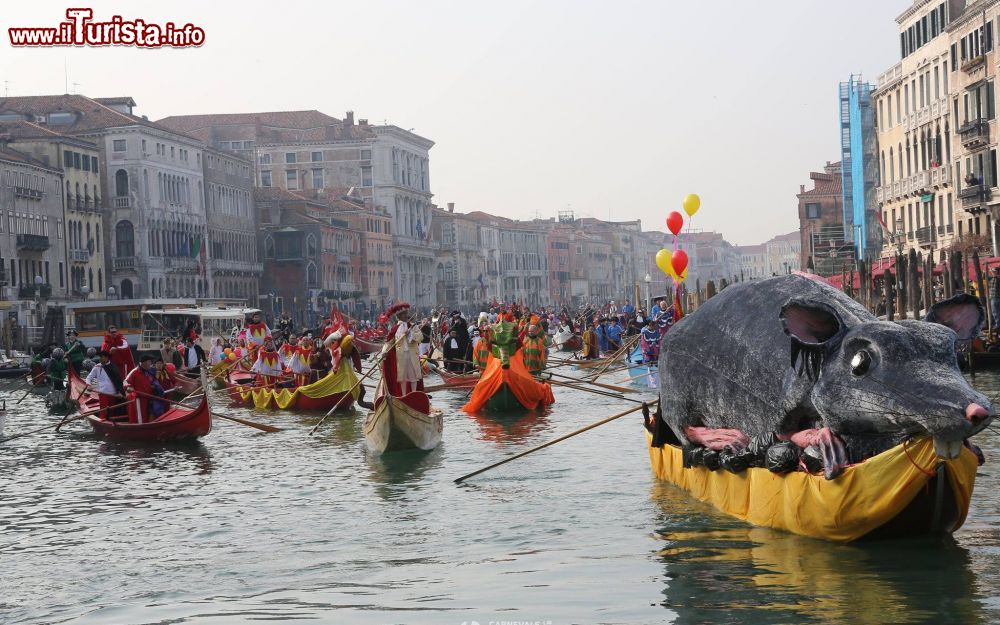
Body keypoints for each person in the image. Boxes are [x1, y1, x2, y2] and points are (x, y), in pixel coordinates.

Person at [380, 303, 424, 395]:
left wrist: (411, 334)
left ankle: (414, 394)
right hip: (401, 356)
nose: (405, 315)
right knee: (402, 377)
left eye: (405, 313)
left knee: (413, 375)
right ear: (399, 316)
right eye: (403, 314)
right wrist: (384, 351)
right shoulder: (394, 329)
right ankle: (404, 395)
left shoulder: (413, 326)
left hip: (412, 354)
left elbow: (420, 337)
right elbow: (389, 343)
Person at [85, 350, 126, 420]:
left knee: (112, 411)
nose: (100, 359)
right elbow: (89, 378)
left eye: (102, 357)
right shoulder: (97, 367)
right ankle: (103, 421)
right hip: (102, 393)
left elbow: (119, 381)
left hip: (113, 394)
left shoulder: (114, 367)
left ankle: (111, 422)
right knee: (103, 411)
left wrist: (119, 392)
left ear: (107, 358)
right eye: (99, 357)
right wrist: (88, 385)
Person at [124, 355, 158, 424]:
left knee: (148, 415)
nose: (151, 363)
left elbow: (153, 381)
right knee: (140, 417)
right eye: (149, 361)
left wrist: (154, 386)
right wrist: (128, 387)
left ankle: (149, 427)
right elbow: (125, 382)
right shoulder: (135, 371)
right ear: (144, 363)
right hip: (139, 398)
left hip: (149, 397)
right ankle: (141, 429)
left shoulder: (149, 371)